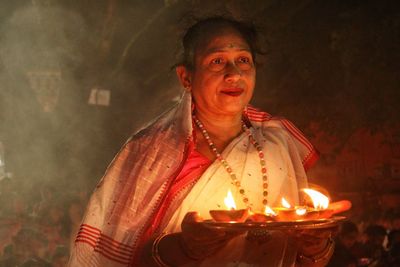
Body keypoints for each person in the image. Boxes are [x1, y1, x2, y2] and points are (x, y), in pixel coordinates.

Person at [69, 17, 348, 267]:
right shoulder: (151, 151)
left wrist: (316, 245)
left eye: (243, 61)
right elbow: (129, 257)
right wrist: (186, 248)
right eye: (217, 62)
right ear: (186, 77)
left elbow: (310, 257)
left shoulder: (280, 143)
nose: (234, 74)